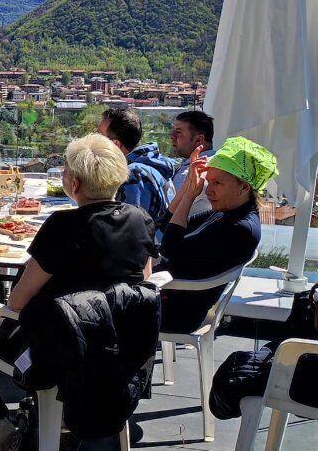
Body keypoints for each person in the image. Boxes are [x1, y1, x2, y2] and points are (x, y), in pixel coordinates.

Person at [0, 134, 156, 451]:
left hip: (57, 352)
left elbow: (17, 300)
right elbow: (141, 285)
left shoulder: (63, 226)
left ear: (74, 182)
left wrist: (1, 315)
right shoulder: (141, 221)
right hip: (116, 346)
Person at [157, 136, 271, 334]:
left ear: (244, 187)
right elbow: (166, 224)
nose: (209, 190)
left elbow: (169, 248)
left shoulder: (239, 228)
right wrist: (188, 188)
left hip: (175, 313)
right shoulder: (226, 213)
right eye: (208, 182)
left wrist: (191, 196)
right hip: (169, 298)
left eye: (217, 183)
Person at [98, 108, 175, 221]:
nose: (94, 139)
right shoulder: (154, 164)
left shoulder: (134, 176)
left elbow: (128, 228)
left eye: (99, 135)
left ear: (115, 144)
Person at [166, 110, 215, 218]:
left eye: (178, 132)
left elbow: (167, 213)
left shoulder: (193, 173)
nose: (172, 136)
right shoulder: (217, 163)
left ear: (199, 139)